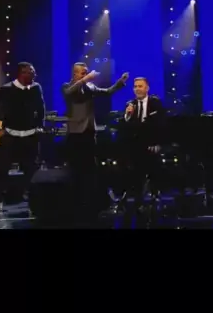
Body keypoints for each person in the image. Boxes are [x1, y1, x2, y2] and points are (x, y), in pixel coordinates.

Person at [62, 62, 129, 222]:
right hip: (75, 132)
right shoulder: (67, 86)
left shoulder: (90, 87)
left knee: (90, 167)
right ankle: (74, 201)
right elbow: (70, 93)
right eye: (82, 72)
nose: (85, 75)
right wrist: (85, 80)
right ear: (75, 73)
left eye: (86, 72)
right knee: (75, 167)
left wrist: (119, 83)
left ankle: (91, 201)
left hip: (89, 131)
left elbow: (107, 92)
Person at [0, 62, 45, 212]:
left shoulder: (36, 88)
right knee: (3, 169)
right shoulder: (6, 89)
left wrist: (40, 126)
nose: (34, 75)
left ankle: (29, 199)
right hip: (10, 136)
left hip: (30, 136)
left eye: (33, 72)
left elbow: (41, 108)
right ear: (21, 74)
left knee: (31, 169)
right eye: (30, 72)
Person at [114, 77, 165, 212]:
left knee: (153, 164)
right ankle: (136, 199)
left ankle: (155, 194)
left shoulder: (155, 103)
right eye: (135, 86)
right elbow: (125, 127)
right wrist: (127, 115)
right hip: (136, 145)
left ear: (147, 88)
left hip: (152, 143)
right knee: (132, 167)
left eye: (140, 86)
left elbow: (161, 125)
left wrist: (157, 143)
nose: (137, 89)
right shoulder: (130, 104)